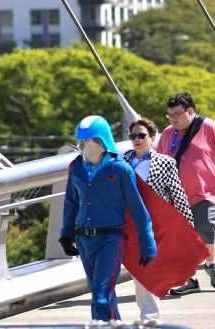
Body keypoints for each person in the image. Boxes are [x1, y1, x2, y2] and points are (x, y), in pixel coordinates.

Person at [59, 115, 156, 320]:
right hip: (83, 239)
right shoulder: (75, 167)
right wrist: (66, 234)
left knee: (101, 297)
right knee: (101, 294)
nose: (84, 146)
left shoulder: (120, 168)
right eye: (81, 142)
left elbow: (138, 209)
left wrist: (147, 243)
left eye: (90, 141)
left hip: (110, 239)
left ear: (102, 141)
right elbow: (71, 203)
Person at [157, 92, 215, 294]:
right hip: (176, 196)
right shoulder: (167, 134)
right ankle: (189, 279)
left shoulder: (209, 127)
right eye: (169, 115)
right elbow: (158, 162)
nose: (173, 118)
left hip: (205, 192)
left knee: (206, 226)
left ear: (190, 111)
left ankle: (212, 265)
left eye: (177, 114)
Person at [122, 118, 193, 322]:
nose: (136, 139)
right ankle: (146, 311)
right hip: (130, 226)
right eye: (133, 136)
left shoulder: (165, 163)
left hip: (156, 226)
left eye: (141, 135)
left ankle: (150, 316)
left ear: (152, 138)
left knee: (148, 268)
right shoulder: (122, 161)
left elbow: (178, 196)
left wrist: (188, 228)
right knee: (138, 273)